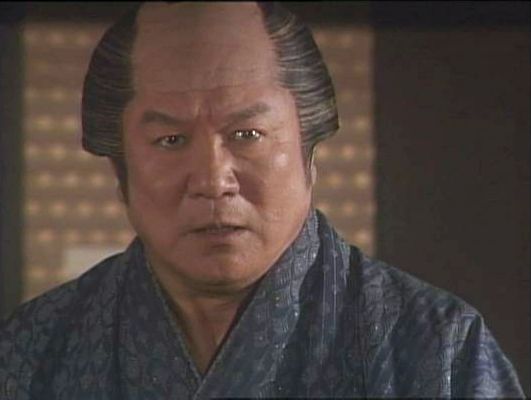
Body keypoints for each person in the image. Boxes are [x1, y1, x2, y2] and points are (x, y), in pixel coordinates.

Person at [0, 2, 525, 399]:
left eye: (247, 134)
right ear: (120, 171)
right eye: (170, 140)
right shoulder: (37, 349)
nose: (213, 180)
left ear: (309, 153)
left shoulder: (435, 347)